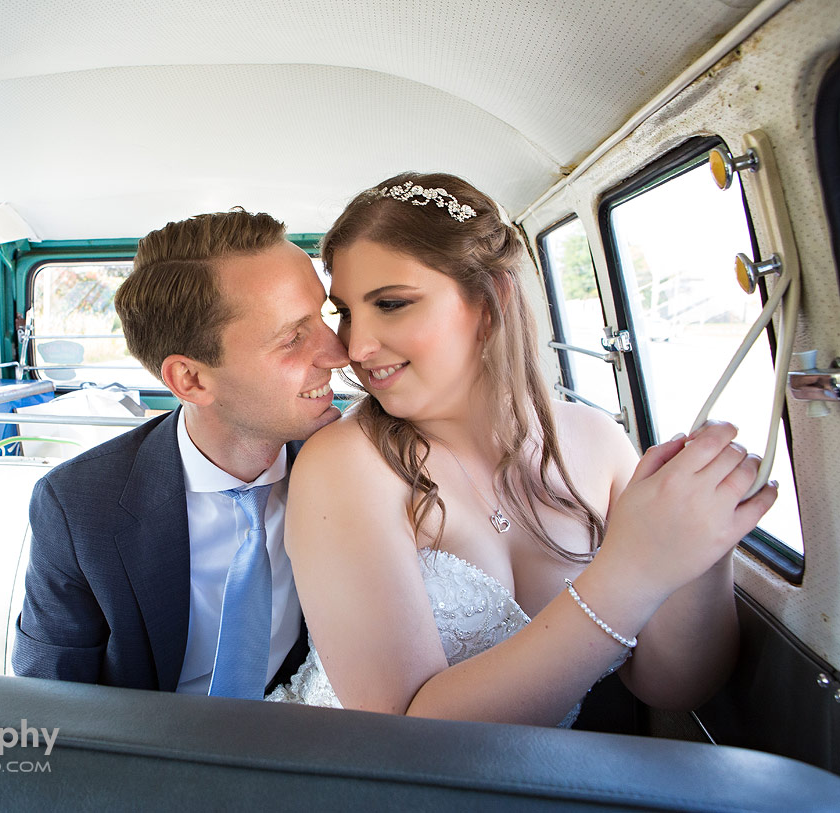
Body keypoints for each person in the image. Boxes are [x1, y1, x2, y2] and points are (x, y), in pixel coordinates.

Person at [266, 172, 778, 726]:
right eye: (346, 311)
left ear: (490, 301)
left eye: (390, 304)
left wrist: (703, 542)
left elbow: (673, 687)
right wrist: (631, 572)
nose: (355, 347)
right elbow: (404, 738)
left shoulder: (598, 441)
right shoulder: (345, 463)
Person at [12, 208, 350, 697]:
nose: (338, 353)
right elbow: (50, 702)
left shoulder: (357, 465)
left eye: (324, 316)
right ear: (190, 379)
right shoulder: (80, 507)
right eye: (294, 337)